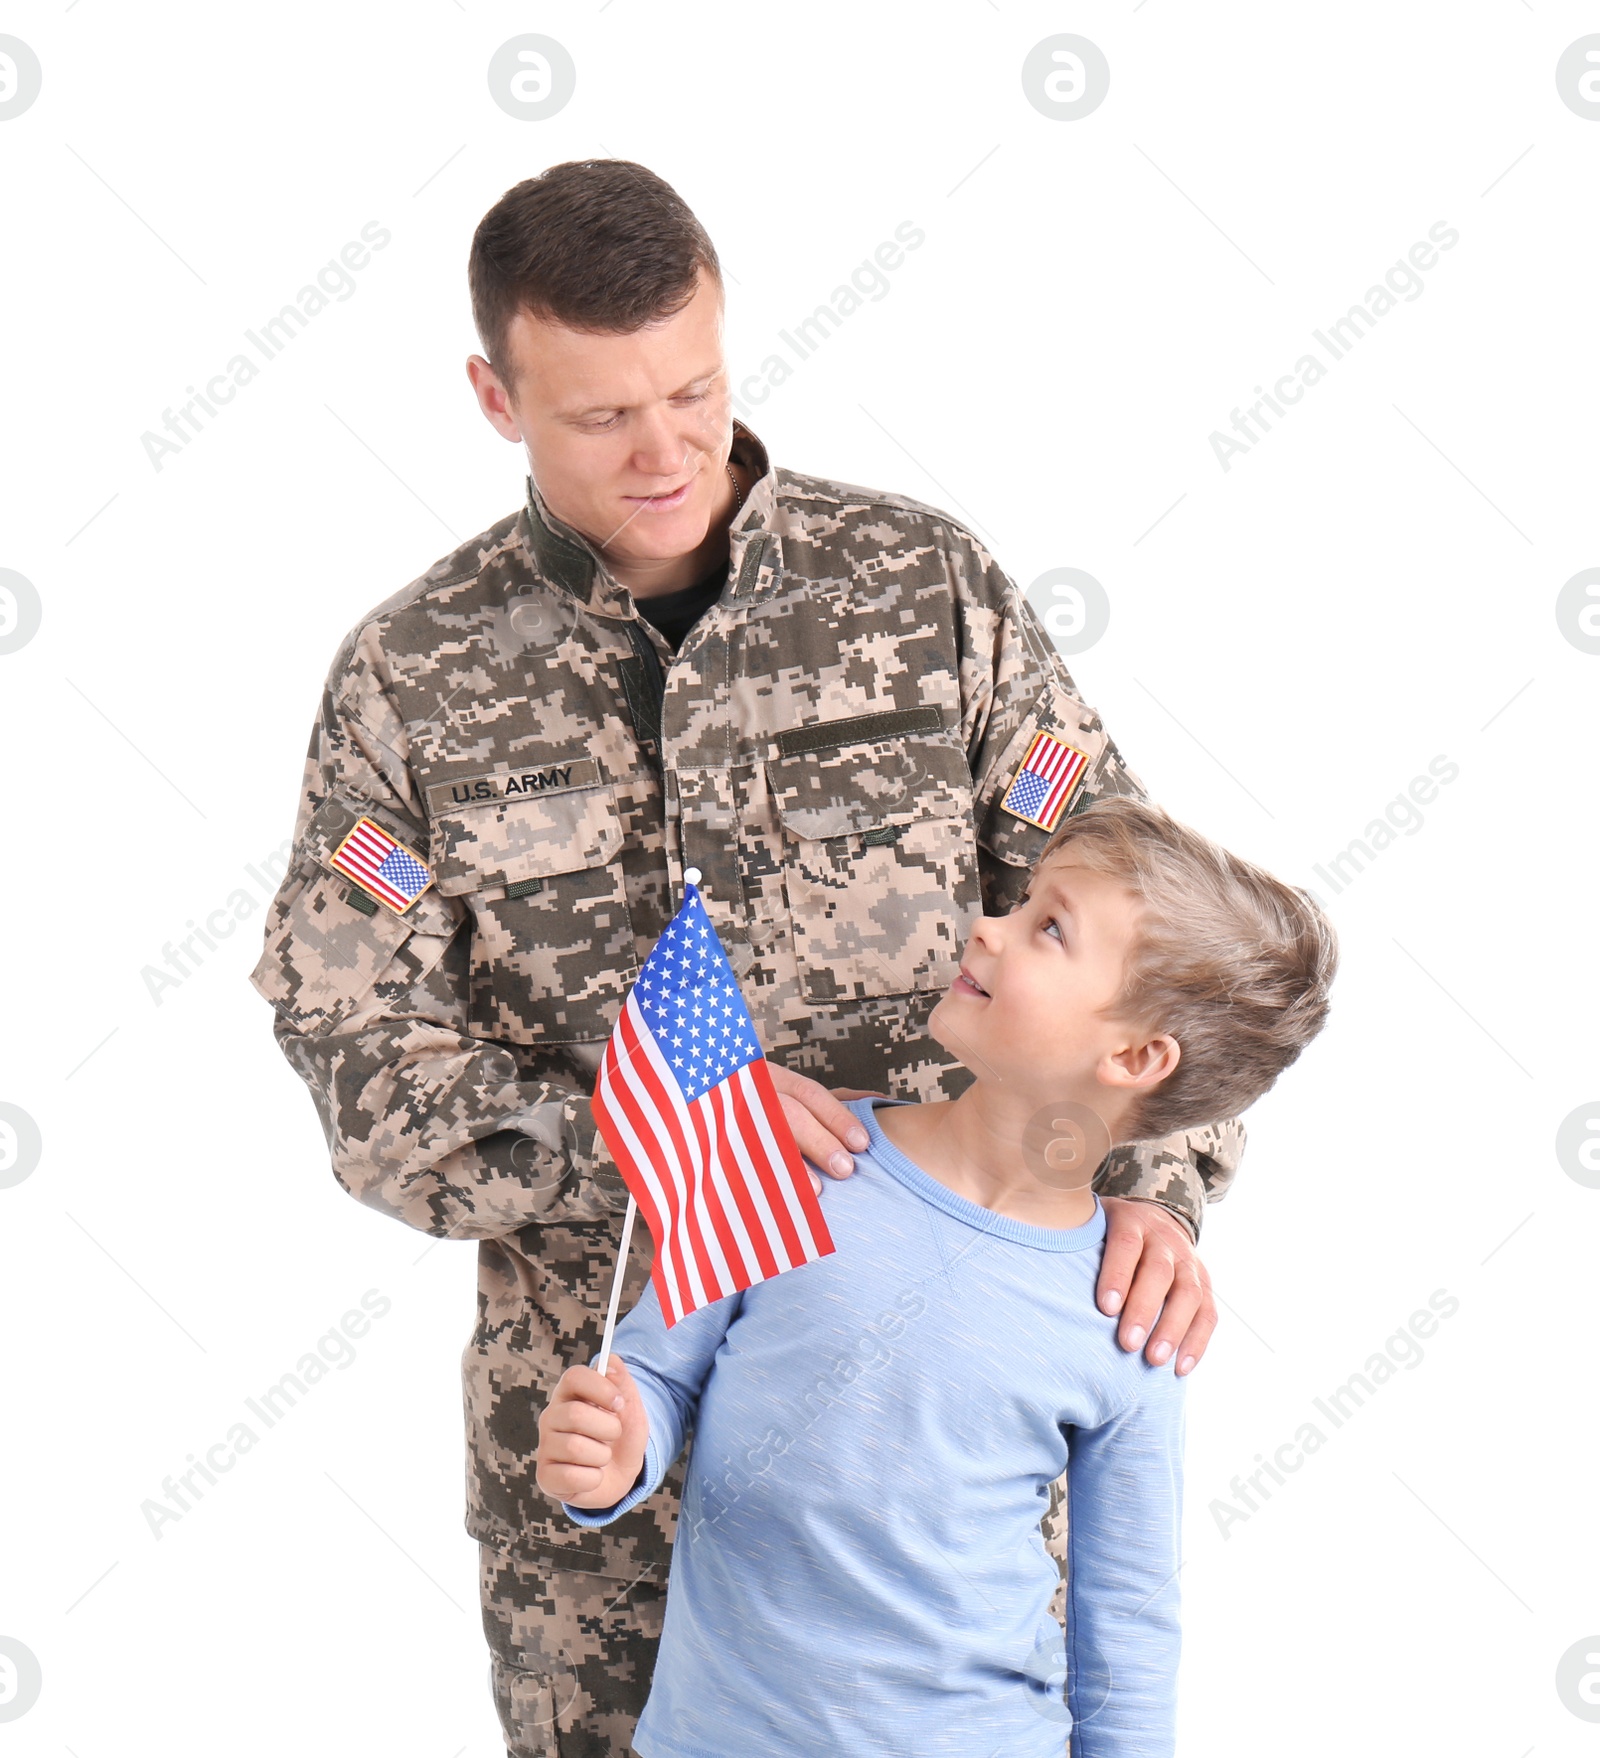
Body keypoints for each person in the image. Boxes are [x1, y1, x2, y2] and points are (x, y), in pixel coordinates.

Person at [249, 157, 1248, 1755]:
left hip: (937, 1435)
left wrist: (1158, 1187)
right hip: (597, 1440)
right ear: (494, 398)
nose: (668, 452)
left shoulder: (926, 595)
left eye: (695, 390)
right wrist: (668, 1131)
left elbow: (1148, 924)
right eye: (600, 417)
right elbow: (360, 1056)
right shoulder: (409, 684)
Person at [537, 795, 1339, 1755]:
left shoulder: (1133, 1315)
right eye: (1020, 901)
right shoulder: (795, 1165)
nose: (986, 926)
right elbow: (656, 1376)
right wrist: (614, 1451)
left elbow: (1124, 1628)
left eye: (1048, 926)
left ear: (1133, 1056)